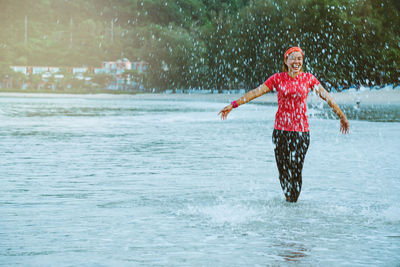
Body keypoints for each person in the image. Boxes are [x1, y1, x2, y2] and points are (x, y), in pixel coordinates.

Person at [218, 46, 350, 202]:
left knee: (296, 169)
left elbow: (327, 97)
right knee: (283, 170)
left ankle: (293, 203)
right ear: (286, 61)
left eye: (299, 58)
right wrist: (233, 105)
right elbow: (255, 92)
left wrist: (342, 116)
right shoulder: (277, 78)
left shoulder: (308, 79)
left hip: (301, 132)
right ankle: (288, 199)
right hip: (281, 131)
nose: (296, 62)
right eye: (292, 58)